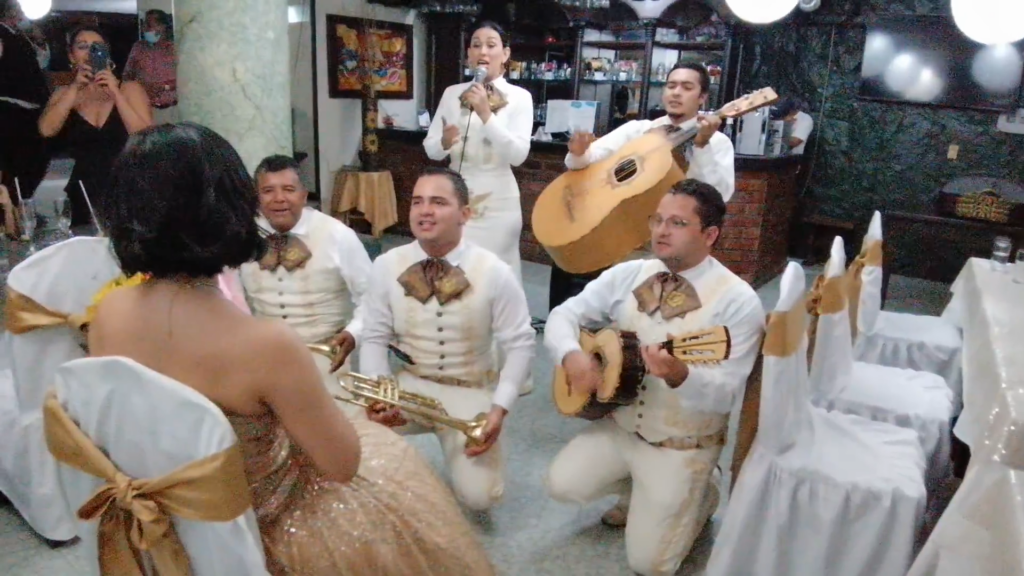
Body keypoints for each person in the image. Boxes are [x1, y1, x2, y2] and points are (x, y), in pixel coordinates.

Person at [87, 123, 495, 575]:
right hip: (254, 529)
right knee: (392, 464)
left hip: (163, 527)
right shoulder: (267, 344)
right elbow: (341, 465)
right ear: (232, 208)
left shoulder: (107, 316)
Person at [544, 179, 764, 576]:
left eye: (677, 223)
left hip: (680, 445)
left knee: (649, 565)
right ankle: (638, 493)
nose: (661, 231)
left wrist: (683, 377)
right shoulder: (630, 273)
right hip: (621, 427)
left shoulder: (738, 301)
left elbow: (728, 395)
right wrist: (571, 353)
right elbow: (564, 314)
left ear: (710, 235)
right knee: (562, 485)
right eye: (658, 219)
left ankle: (704, 493)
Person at [359, 166, 535, 512]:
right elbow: (375, 335)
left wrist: (499, 408)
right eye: (417, 202)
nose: (425, 211)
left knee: (479, 497)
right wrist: (378, 394)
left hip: (469, 388)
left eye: (438, 202)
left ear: (465, 214)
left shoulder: (494, 272)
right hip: (408, 384)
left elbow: (520, 343)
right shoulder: (386, 265)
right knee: (349, 444)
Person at [549, 63, 736, 312]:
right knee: (613, 311)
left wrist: (701, 146)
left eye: (687, 87)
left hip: (672, 247)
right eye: (671, 85)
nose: (676, 92)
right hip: (621, 236)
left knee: (656, 317)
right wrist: (578, 153)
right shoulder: (638, 130)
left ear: (702, 97)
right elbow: (584, 160)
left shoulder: (717, 143)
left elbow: (717, 196)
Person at [423, 20, 537, 395]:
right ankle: (459, 363)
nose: (482, 51)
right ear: (468, 53)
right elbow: (431, 149)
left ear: (505, 54)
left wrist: (487, 114)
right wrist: (444, 141)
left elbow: (518, 154)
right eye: (475, 44)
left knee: (496, 280)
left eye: (491, 44)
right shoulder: (452, 93)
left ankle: (507, 370)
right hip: (456, 197)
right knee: (453, 275)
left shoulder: (519, 98)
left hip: (498, 198)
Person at [239, 154, 371, 406]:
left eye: (289, 189)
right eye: (268, 191)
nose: (279, 198)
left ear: (303, 195)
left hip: (326, 359)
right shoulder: (243, 237)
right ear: (256, 198)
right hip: (262, 359)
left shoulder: (337, 236)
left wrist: (353, 333)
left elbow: (373, 298)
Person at [38, 26, 152, 228]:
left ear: (107, 53)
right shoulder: (64, 93)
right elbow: (46, 130)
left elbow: (147, 136)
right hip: (82, 190)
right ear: (71, 56)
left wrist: (116, 93)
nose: (89, 52)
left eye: (97, 47)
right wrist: (74, 88)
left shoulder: (129, 88)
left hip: (129, 186)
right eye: (82, 46)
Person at [0, 0, 50, 236]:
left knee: (34, 158)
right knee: (17, 161)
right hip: (10, 107)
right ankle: (12, 212)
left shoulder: (20, 37)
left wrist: (38, 39)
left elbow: (41, 62)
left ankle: (21, 206)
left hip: (30, 108)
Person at [123, 9, 177, 124]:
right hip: (145, 109)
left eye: (149, 25)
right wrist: (140, 87)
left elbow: (186, 79)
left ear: (162, 26)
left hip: (172, 110)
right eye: (144, 25)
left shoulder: (175, 48)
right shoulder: (138, 47)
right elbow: (127, 76)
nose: (144, 29)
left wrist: (164, 86)